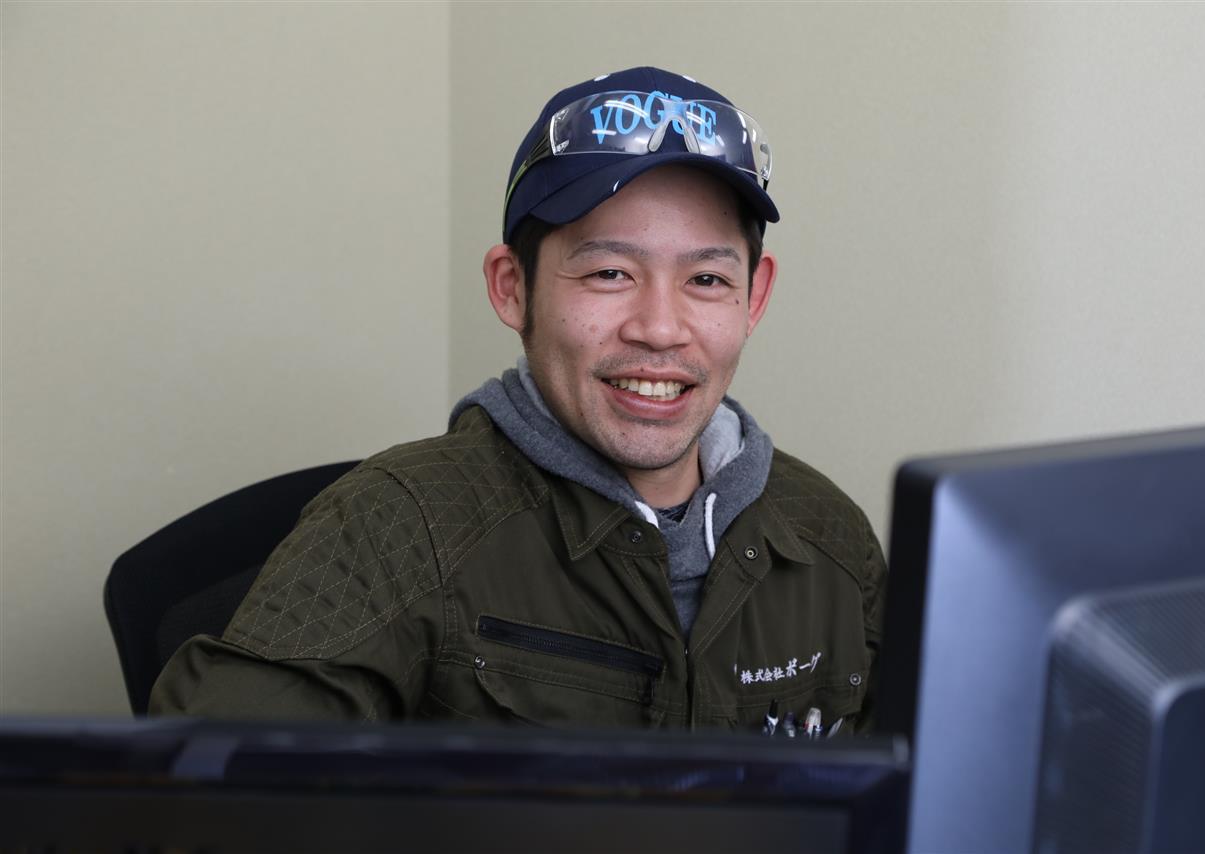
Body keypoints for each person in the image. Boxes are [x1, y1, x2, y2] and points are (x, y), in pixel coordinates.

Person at [151, 67, 886, 734]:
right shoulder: (396, 522)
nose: (661, 329)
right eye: (608, 273)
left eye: (707, 280)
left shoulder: (831, 537)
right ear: (512, 288)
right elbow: (207, 794)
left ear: (753, 298)